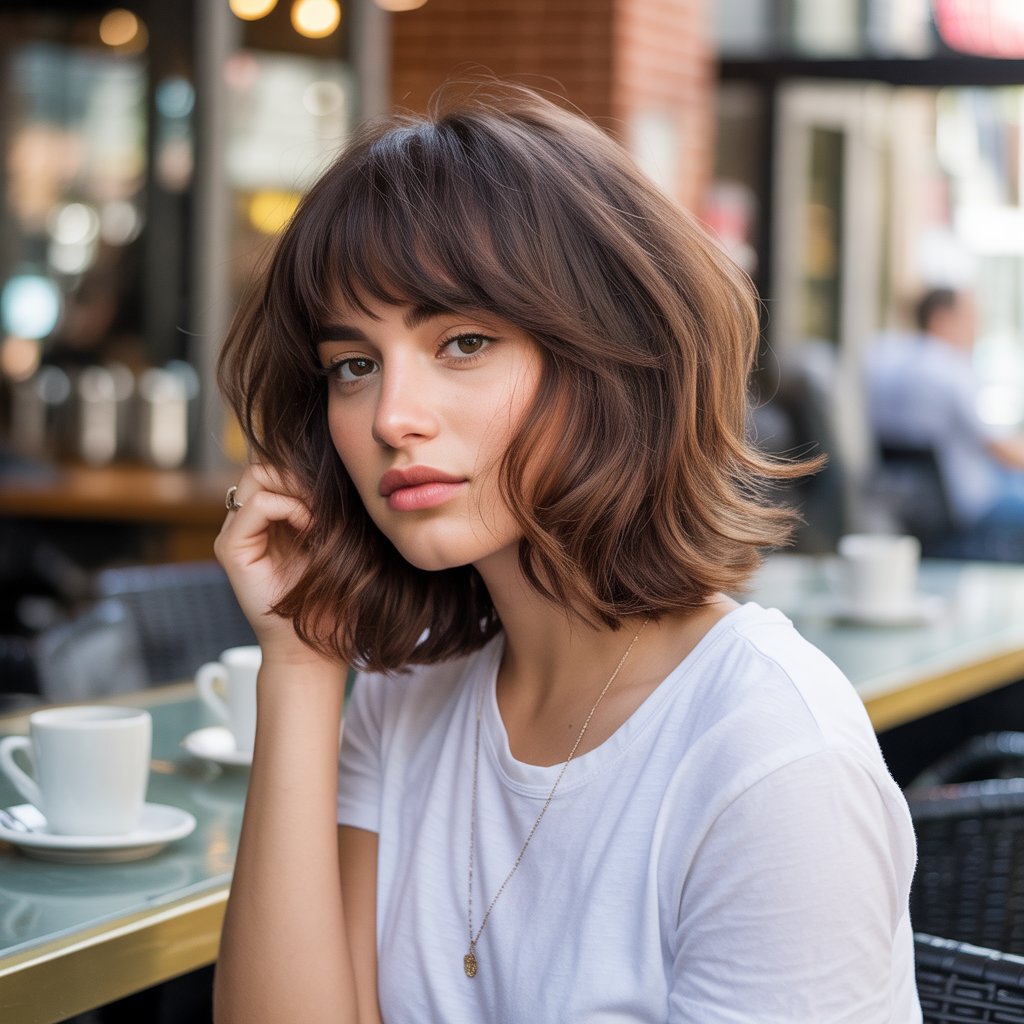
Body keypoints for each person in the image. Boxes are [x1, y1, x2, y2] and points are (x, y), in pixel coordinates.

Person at [212, 84, 920, 1023]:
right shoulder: (404, 694)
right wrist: (300, 662)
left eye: (463, 342)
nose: (391, 418)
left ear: (610, 361)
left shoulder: (771, 759)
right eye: (355, 364)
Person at [866, 287, 1024, 555]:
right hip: (965, 508)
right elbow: (1003, 451)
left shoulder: (880, 357)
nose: (976, 329)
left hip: (902, 503)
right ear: (940, 318)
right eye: (969, 318)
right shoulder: (949, 368)